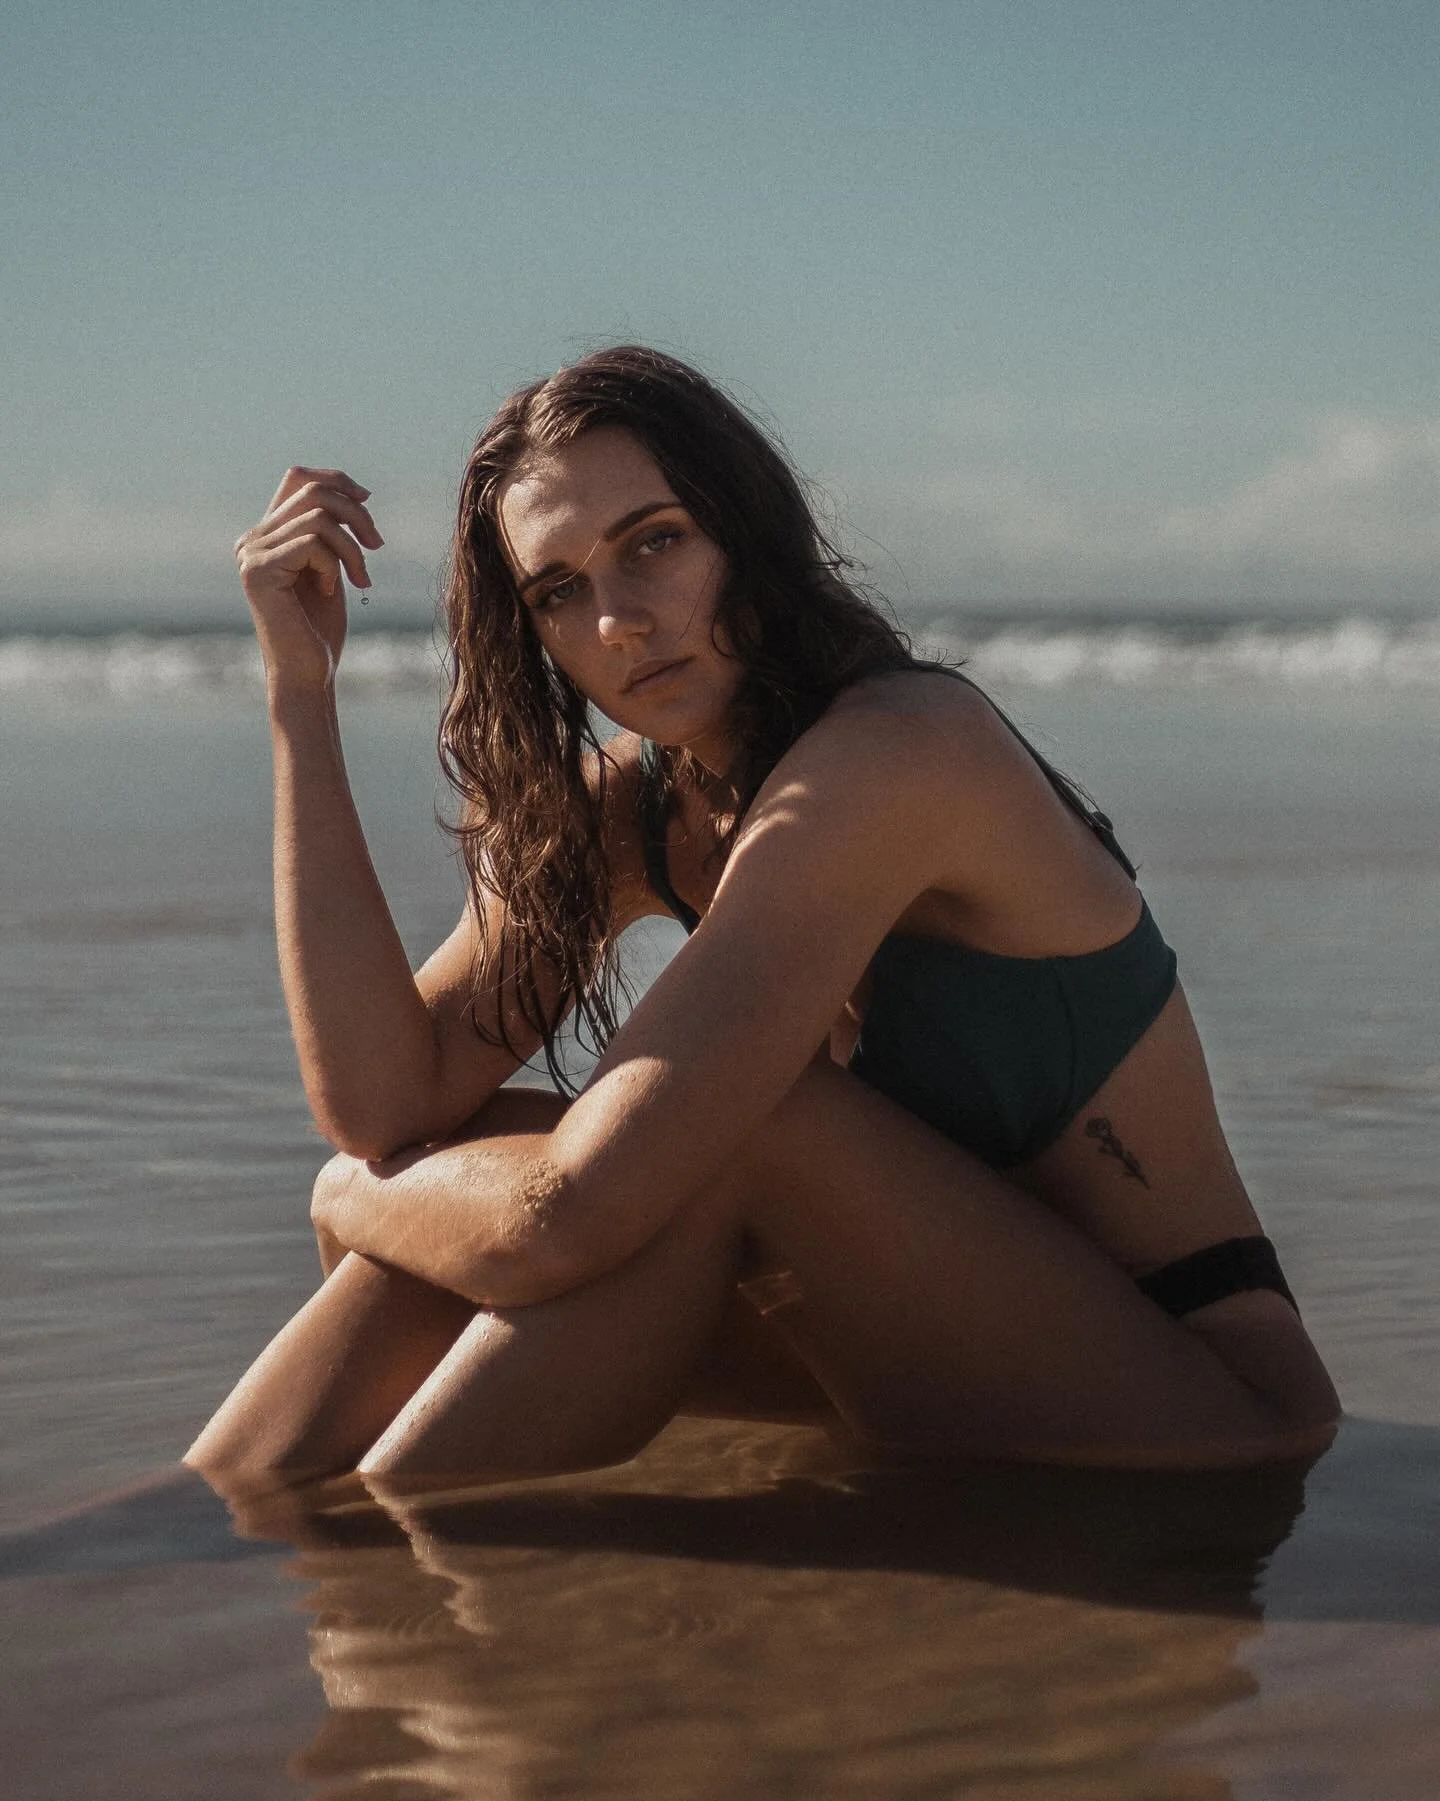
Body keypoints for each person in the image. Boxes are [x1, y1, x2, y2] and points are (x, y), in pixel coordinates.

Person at [186, 346, 1340, 1491]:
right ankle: (217, 1535)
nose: (620, 620)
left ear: (749, 532)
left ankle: (362, 1576)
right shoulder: (638, 808)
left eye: (657, 542)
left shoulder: (900, 753)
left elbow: (550, 1217)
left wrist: (352, 1185)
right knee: (482, 1186)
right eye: (560, 591)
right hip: (897, 1357)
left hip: (1195, 1408)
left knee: (717, 1131)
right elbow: (388, 1097)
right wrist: (301, 701)